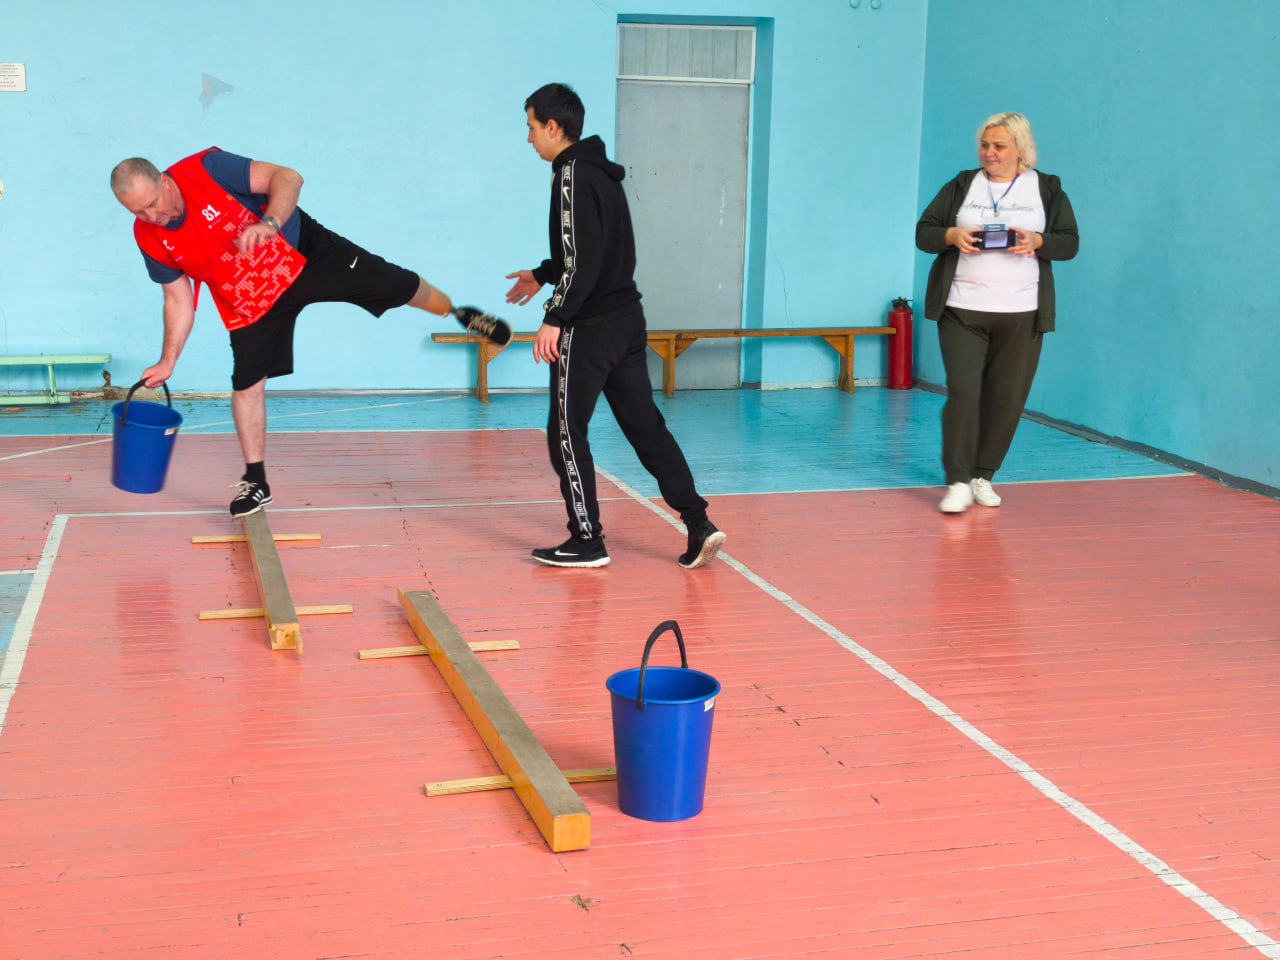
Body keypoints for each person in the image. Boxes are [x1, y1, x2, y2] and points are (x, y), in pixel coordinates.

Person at [110, 148, 508, 517]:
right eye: (137, 212)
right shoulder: (148, 236)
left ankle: (458, 313)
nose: (151, 217)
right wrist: (169, 359)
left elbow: (289, 177)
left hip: (303, 254)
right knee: (245, 385)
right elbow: (178, 299)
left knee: (396, 283)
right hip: (251, 301)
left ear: (164, 181)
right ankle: (256, 480)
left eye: (152, 205)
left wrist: (270, 222)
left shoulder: (207, 169)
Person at [504, 83, 726, 569]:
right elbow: (591, 250)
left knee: (565, 432)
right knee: (646, 427)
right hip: (627, 319)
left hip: (589, 327)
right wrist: (542, 275)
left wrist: (554, 317)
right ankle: (698, 522)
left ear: (553, 127)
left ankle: (586, 539)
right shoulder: (601, 173)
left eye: (530, 127)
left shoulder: (568, 174)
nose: (528, 138)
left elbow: (582, 262)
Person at [915, 112, 1079, 514]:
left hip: (1022, 314)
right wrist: (952, 235)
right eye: (985, 145)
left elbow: (1069, 243)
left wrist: (1038, 240)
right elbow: (925, 232)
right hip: (962, 309)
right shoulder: (960, 185)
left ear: (1020, 148)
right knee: (964, 393)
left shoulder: (1047, 189)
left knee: (1006, 400)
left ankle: (981, 475)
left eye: (999, 146)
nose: (989, 153)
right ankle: (956, 481)